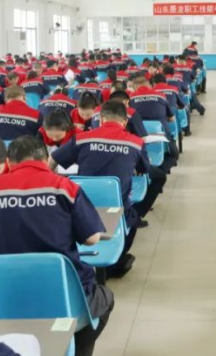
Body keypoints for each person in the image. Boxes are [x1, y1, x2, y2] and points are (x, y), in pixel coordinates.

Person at [0, 136, 113, 356]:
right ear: (45, 159)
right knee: (105, 297)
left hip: (3, 296)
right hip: (61, 294)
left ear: (9, 162)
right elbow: (92, 239)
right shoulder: (65, 187)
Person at [51, 100, 153, 273]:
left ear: (101, 119)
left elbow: (52, 160)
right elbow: (144, 169)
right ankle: (116, 265)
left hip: (80, 209)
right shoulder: (136, 142)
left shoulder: (82, 138)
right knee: (133, 219)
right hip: (116, 210)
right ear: (124, 122)